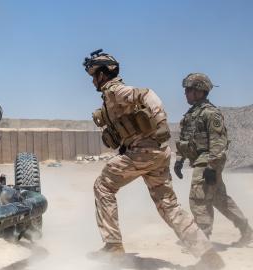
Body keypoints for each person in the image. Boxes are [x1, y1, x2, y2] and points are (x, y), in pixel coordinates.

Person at [84, 49, 223, 269]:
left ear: (103, 74)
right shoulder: (110, 98)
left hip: (143, 153)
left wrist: (160, 123)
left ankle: (112, 245)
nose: (92, 80)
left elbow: (148, 94)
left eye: (94, 75)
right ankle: (208, 256)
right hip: (154, 154)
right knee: (169, 206)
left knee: (103, 186)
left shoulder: (115, 91)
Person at [174, 73, 252, 247]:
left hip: (209, 159)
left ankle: (202, 241)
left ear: (200, 91)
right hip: (201, 159)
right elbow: (185, 139)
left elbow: (218, 142)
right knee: (219, 199)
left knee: (198, 198)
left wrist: (211, 166)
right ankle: (247, 231)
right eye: (186, 89)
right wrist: (179, 160)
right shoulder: (191, 114)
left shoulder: (211, 113)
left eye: (189, 89)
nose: (185, 93)